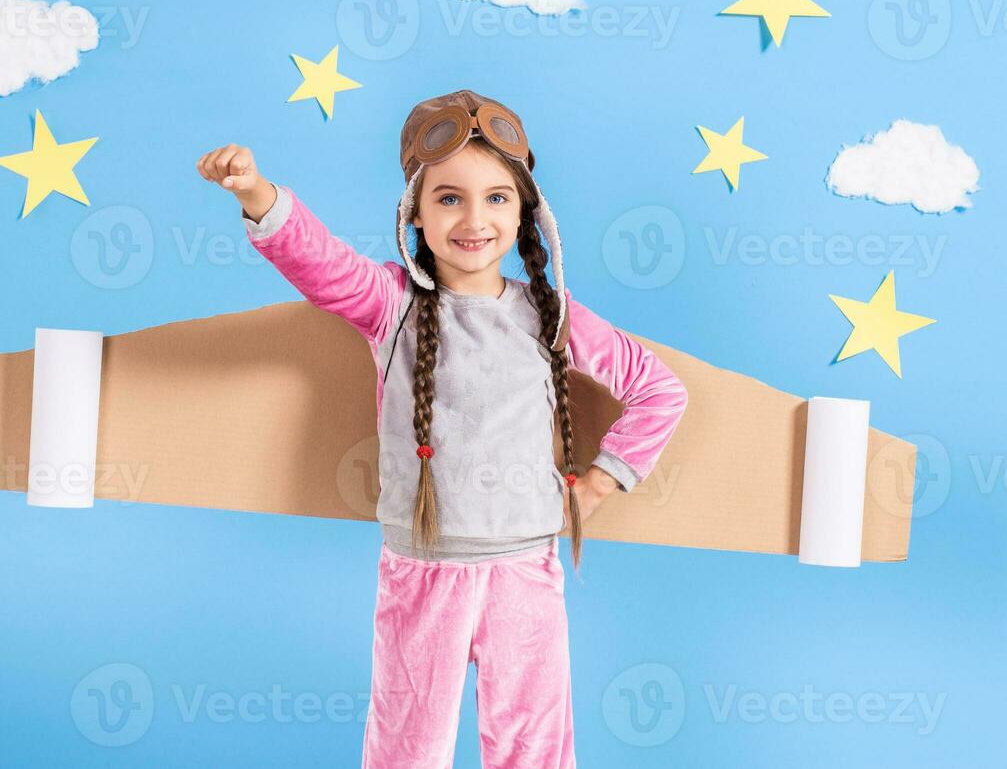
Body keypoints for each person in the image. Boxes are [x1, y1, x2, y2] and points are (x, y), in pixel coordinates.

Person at [196, 88, 688, 769]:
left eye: (496, 198)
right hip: (421, 568)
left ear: (523, 216)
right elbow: (318, 262)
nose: (474, 218)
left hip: (525, 568)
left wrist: (599, 484)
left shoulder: (549, 315)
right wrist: (255, 193)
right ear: (417, 216)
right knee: (407, 744)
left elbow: (657, 389)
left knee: (534, 746)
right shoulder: (390, 304)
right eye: (449, 198)